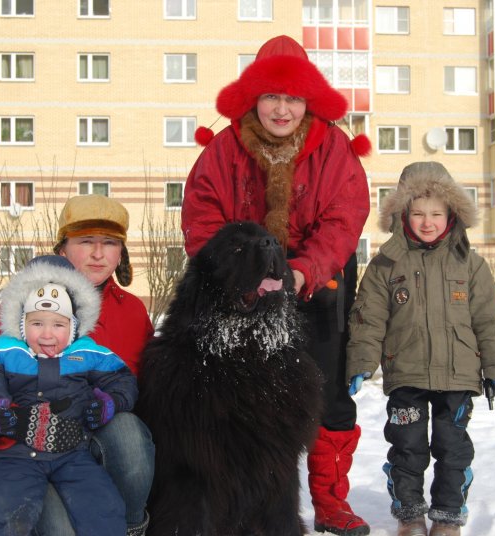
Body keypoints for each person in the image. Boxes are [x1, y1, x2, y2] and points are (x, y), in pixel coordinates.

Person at [182, 35, 371, 536]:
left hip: (317, 281)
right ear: (254, 99)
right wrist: (234, 277)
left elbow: (344, 216)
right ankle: (244, 498)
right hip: (243, 291)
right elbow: (203, 217)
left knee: (326, 394)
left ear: (308, 101)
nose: (281, 109)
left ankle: (330, 502)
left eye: (292, 98)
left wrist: (305, 269)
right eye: (271, 96)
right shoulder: (222, 150)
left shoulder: (333, 146)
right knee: (245, 396)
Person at [0, 195, 155, 536]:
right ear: (63, 249)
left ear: (121, 253)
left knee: (128, 432)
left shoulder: (132, 312)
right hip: (32, 446)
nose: (98, 254)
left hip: (99, 449)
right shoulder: (25, 311)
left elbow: (147, 388)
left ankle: (132, 527)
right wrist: (11, 422)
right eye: (86, 241)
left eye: (110, 243)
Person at [345, 162, 495, 536]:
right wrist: (361, 362)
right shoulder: (386, 264)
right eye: (418, 213)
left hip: (458, 376)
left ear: (451, 214)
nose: (427, 222)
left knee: (452, 448)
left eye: (436, 214)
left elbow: (489, 319)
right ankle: (409, 515)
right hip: (406, 374)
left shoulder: (469, 264)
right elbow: (368, 318)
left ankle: (447, 517)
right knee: (408, 448)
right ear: (402, 214)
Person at [0, 255, 137, 535]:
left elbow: (122, 379)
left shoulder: (86, 352)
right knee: (7, 514)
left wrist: (110, 402)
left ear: (74, 325)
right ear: (21, 322)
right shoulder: (4, 350)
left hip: (73, 453)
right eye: (36, 323)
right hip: (17, 455)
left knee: (103, 507)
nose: (47, 334)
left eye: (58, 324)